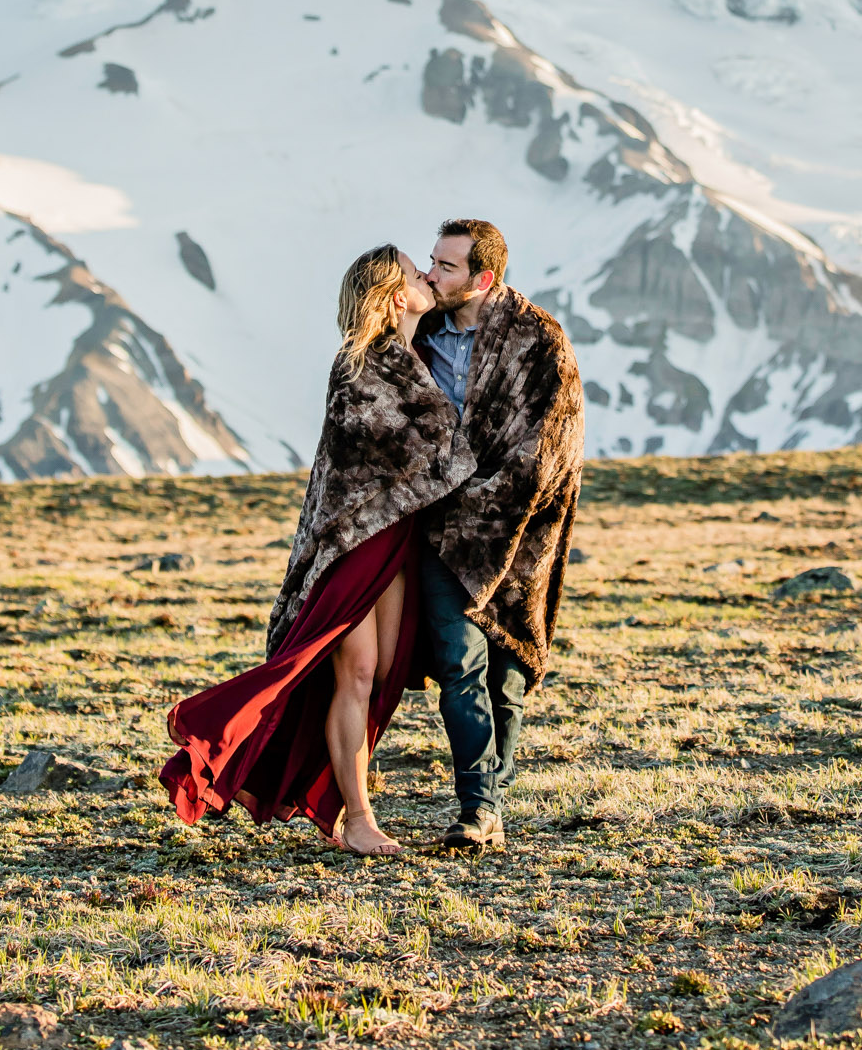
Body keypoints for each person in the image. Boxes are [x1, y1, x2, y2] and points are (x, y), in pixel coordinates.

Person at [160, 245, 471, 856]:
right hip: (353, 539)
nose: (427, 278)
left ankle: (342, 806)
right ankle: (358, 819)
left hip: (396, 538)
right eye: (415, 273)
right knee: (354, 672)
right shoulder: (358, 364)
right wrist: (462, 450)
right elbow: (402, 450)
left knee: (379, 675)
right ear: (390, 294)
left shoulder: (421, 354)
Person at [415, 218, 584, 849]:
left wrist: (486, 502)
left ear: (483, 279)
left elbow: (551, 443)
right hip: (440, 531)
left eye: (447, 267)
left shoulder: (539, 340)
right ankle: (479, 807)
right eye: (432, 262)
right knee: (459, 662)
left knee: (507, 673)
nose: (432, 275)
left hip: (517, 533)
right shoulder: (419, 334)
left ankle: (491, 795)